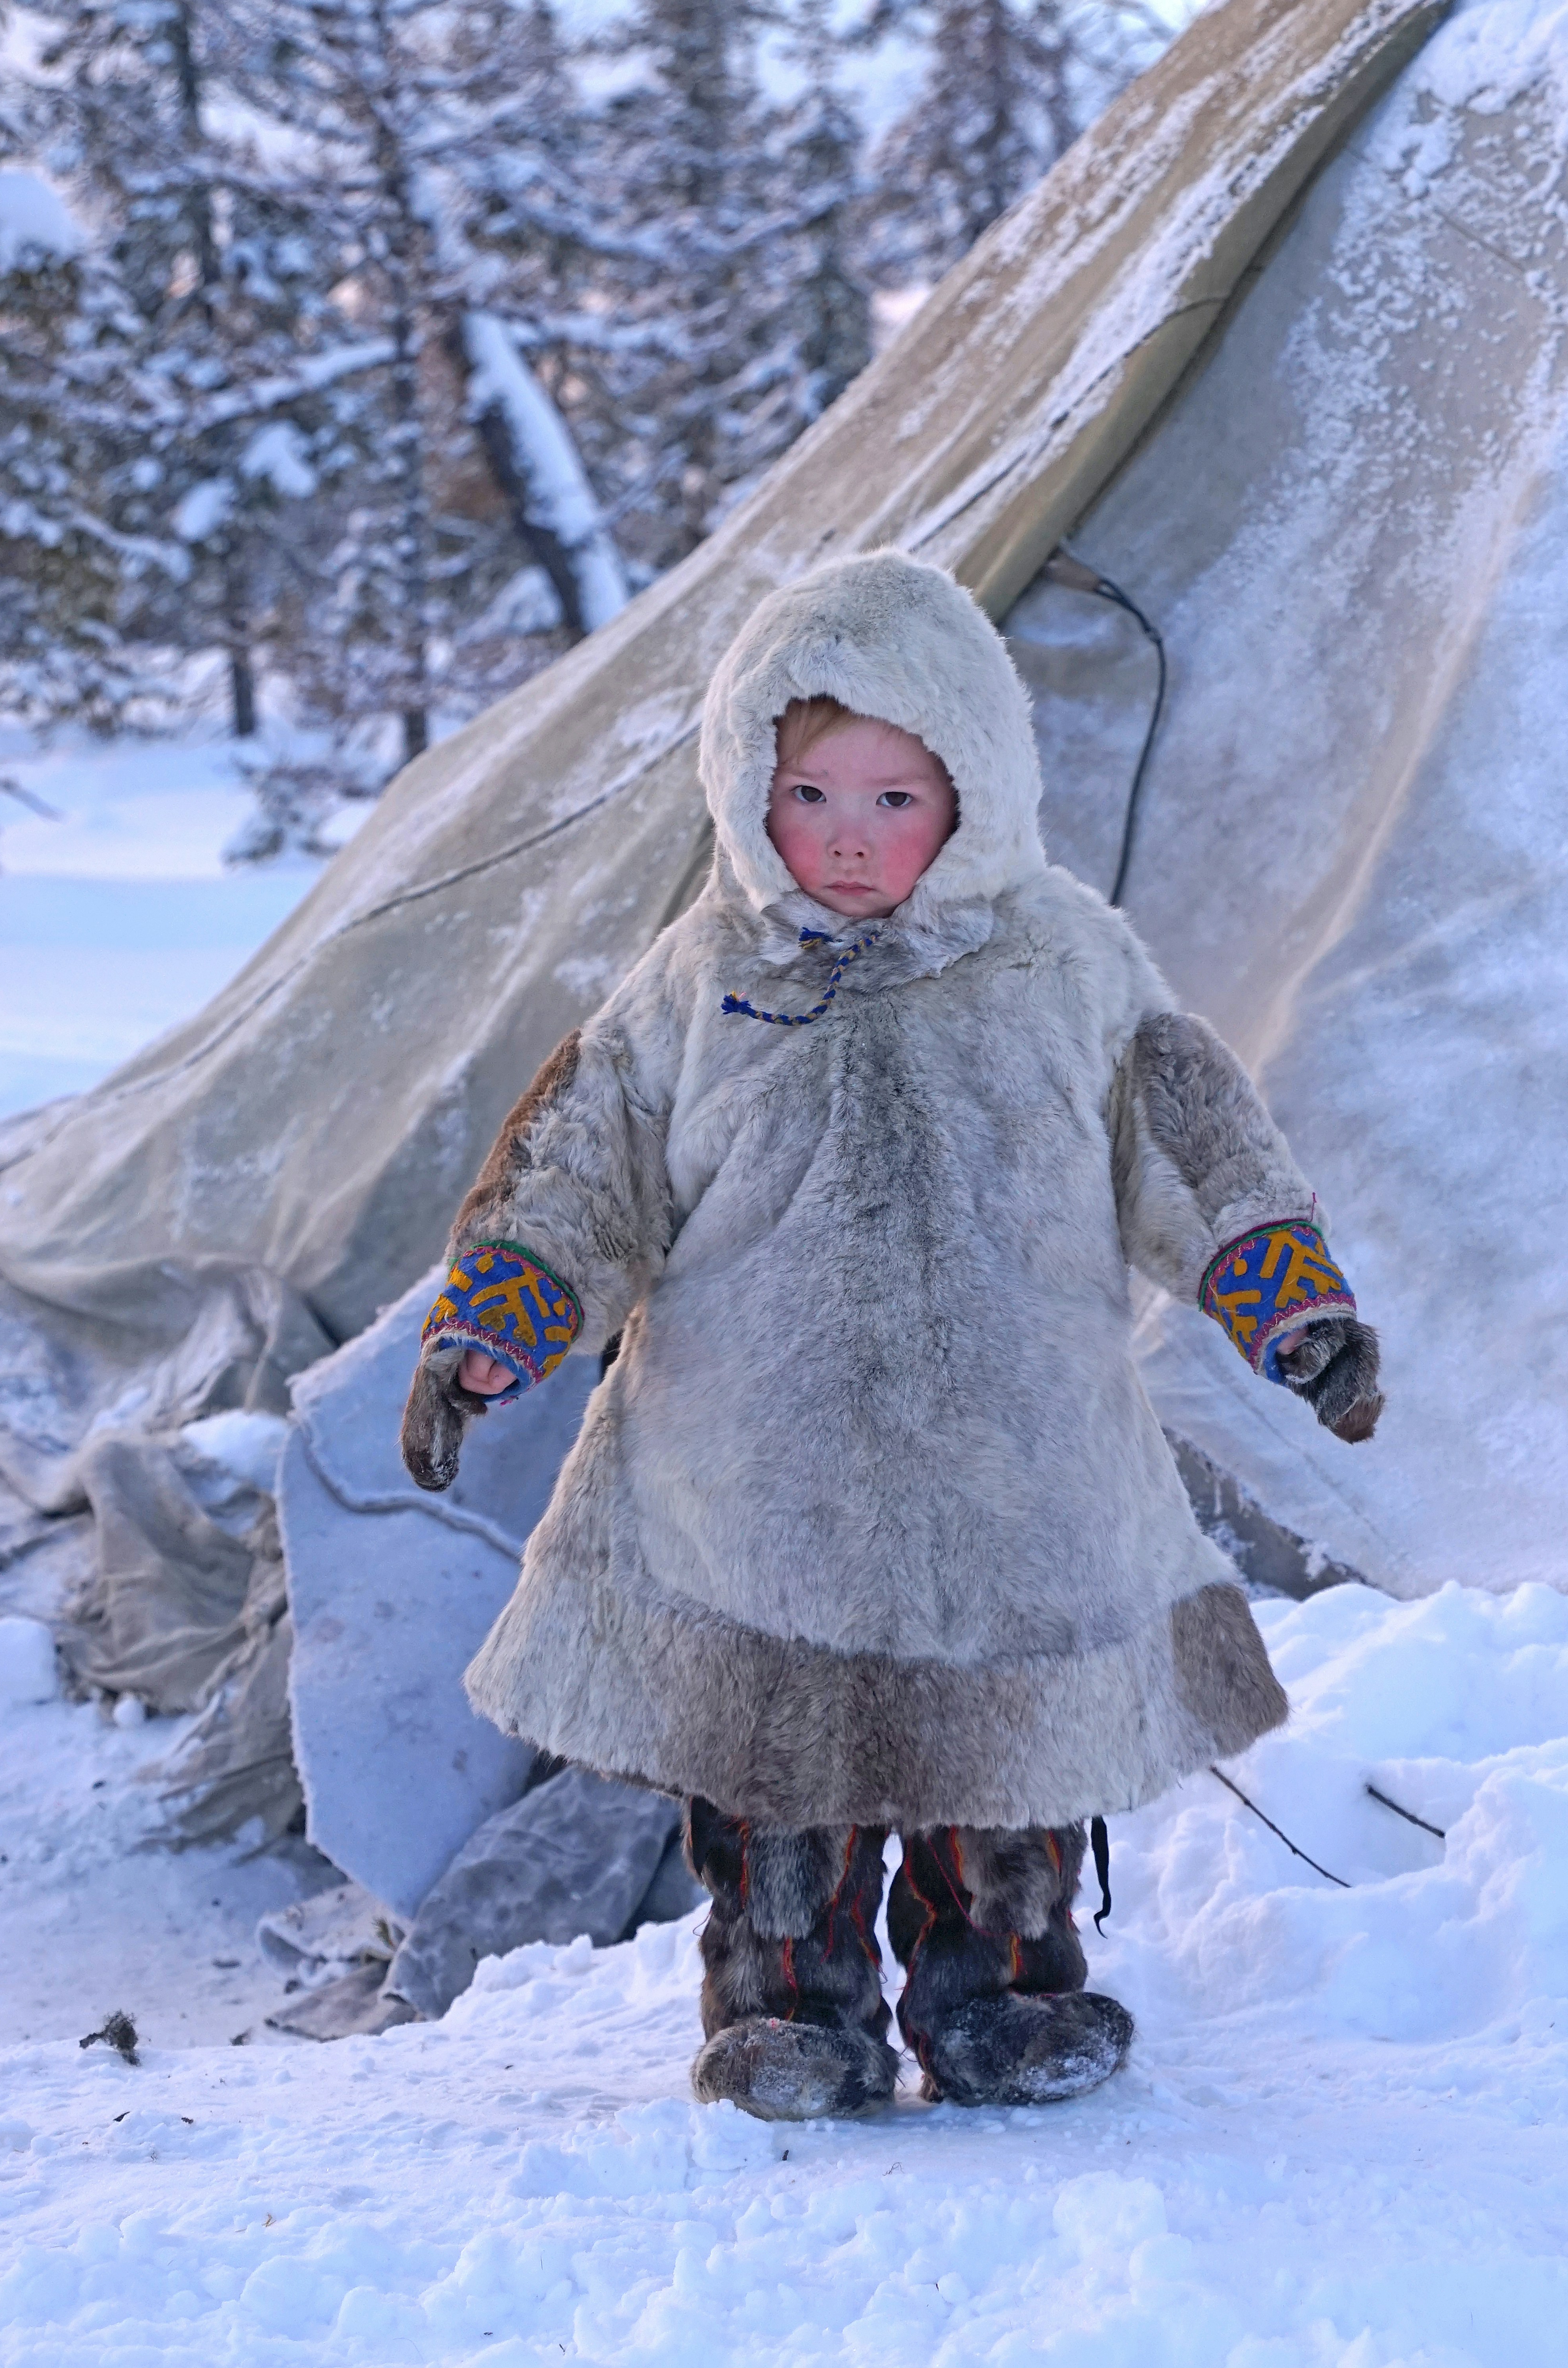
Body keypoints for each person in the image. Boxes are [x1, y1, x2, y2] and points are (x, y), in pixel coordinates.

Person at [401, 552, 1383, 2122]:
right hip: (759, 1486)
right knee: (782, 1782)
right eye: (808, 794)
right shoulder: (701, 980)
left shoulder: (1066, 966)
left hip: (1016, 1480)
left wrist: (1287, 1302)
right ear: (746, 789)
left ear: (976, 788)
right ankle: (790, 2017)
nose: (846, 837)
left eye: (894, 797)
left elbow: (1186, 1144)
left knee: (1005, 1767)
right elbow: (582, 1163)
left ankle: (1000, 1999)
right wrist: (496, 1326)